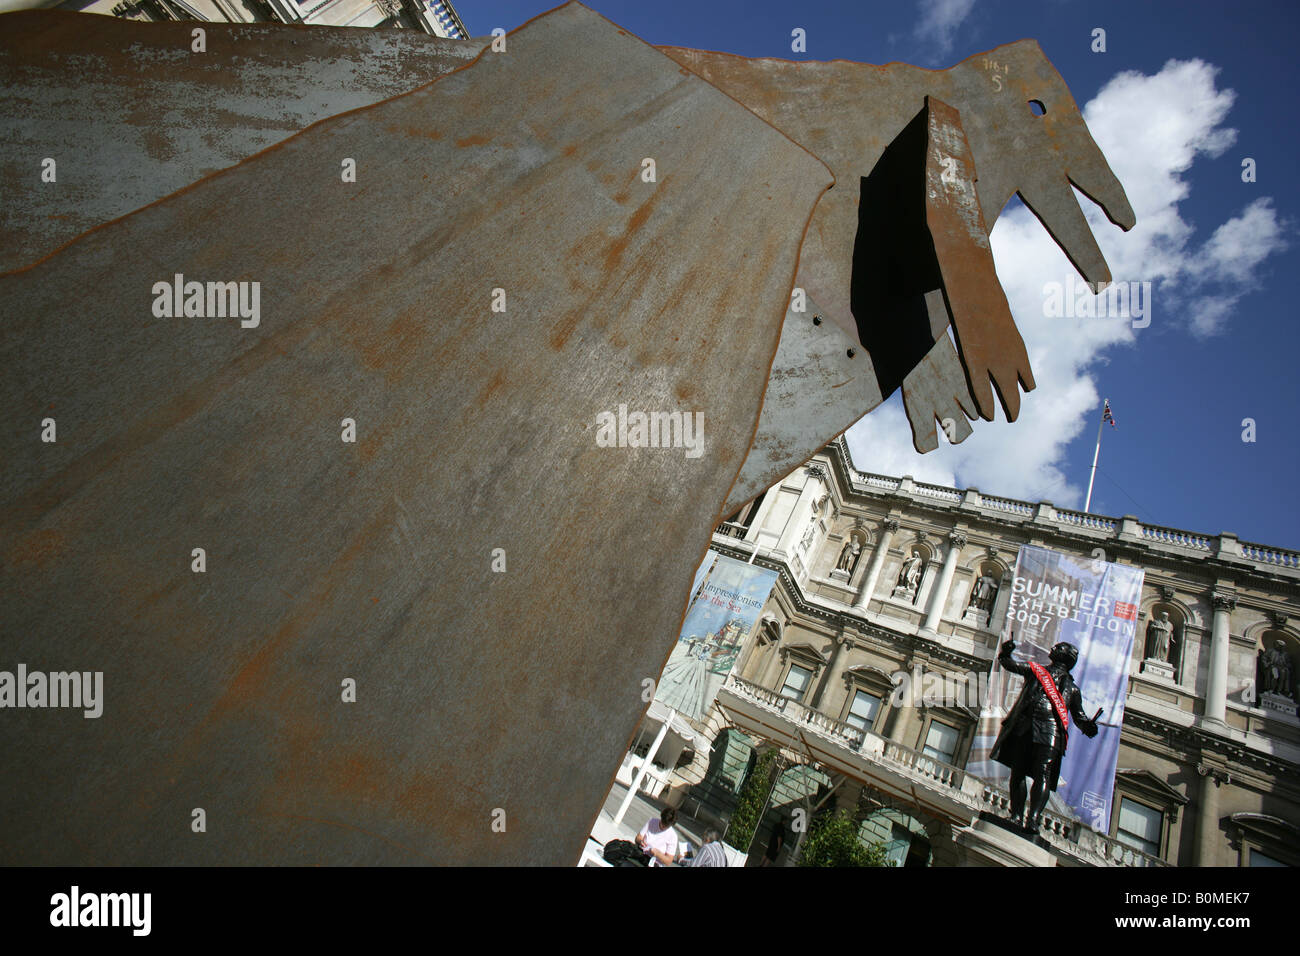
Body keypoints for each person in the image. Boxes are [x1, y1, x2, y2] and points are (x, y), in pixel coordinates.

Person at [990, 638, 1101, 832]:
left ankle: (1033, 819)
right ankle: (1016, 815)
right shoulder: (1036, 670)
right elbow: (1010, 664)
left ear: (1065, 656)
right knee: (1018, 772)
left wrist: (1088, 727)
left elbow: (1079, 716)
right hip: (1025, 726)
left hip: (1051, 731)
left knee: (1043, 775)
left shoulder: (1073, 689)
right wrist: (1005, 653)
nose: (1053, 647)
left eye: (1059, 647)